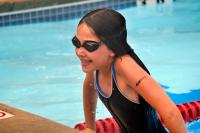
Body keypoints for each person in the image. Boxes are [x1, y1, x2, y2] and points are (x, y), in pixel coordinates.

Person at [72, 8, 187, 133]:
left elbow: (170, 113)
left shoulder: (125, 68)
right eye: (76, 42)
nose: (79, 51)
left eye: (90, 45)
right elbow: (89, 86)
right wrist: (90, 127)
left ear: (112, 48)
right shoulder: (95, 64)